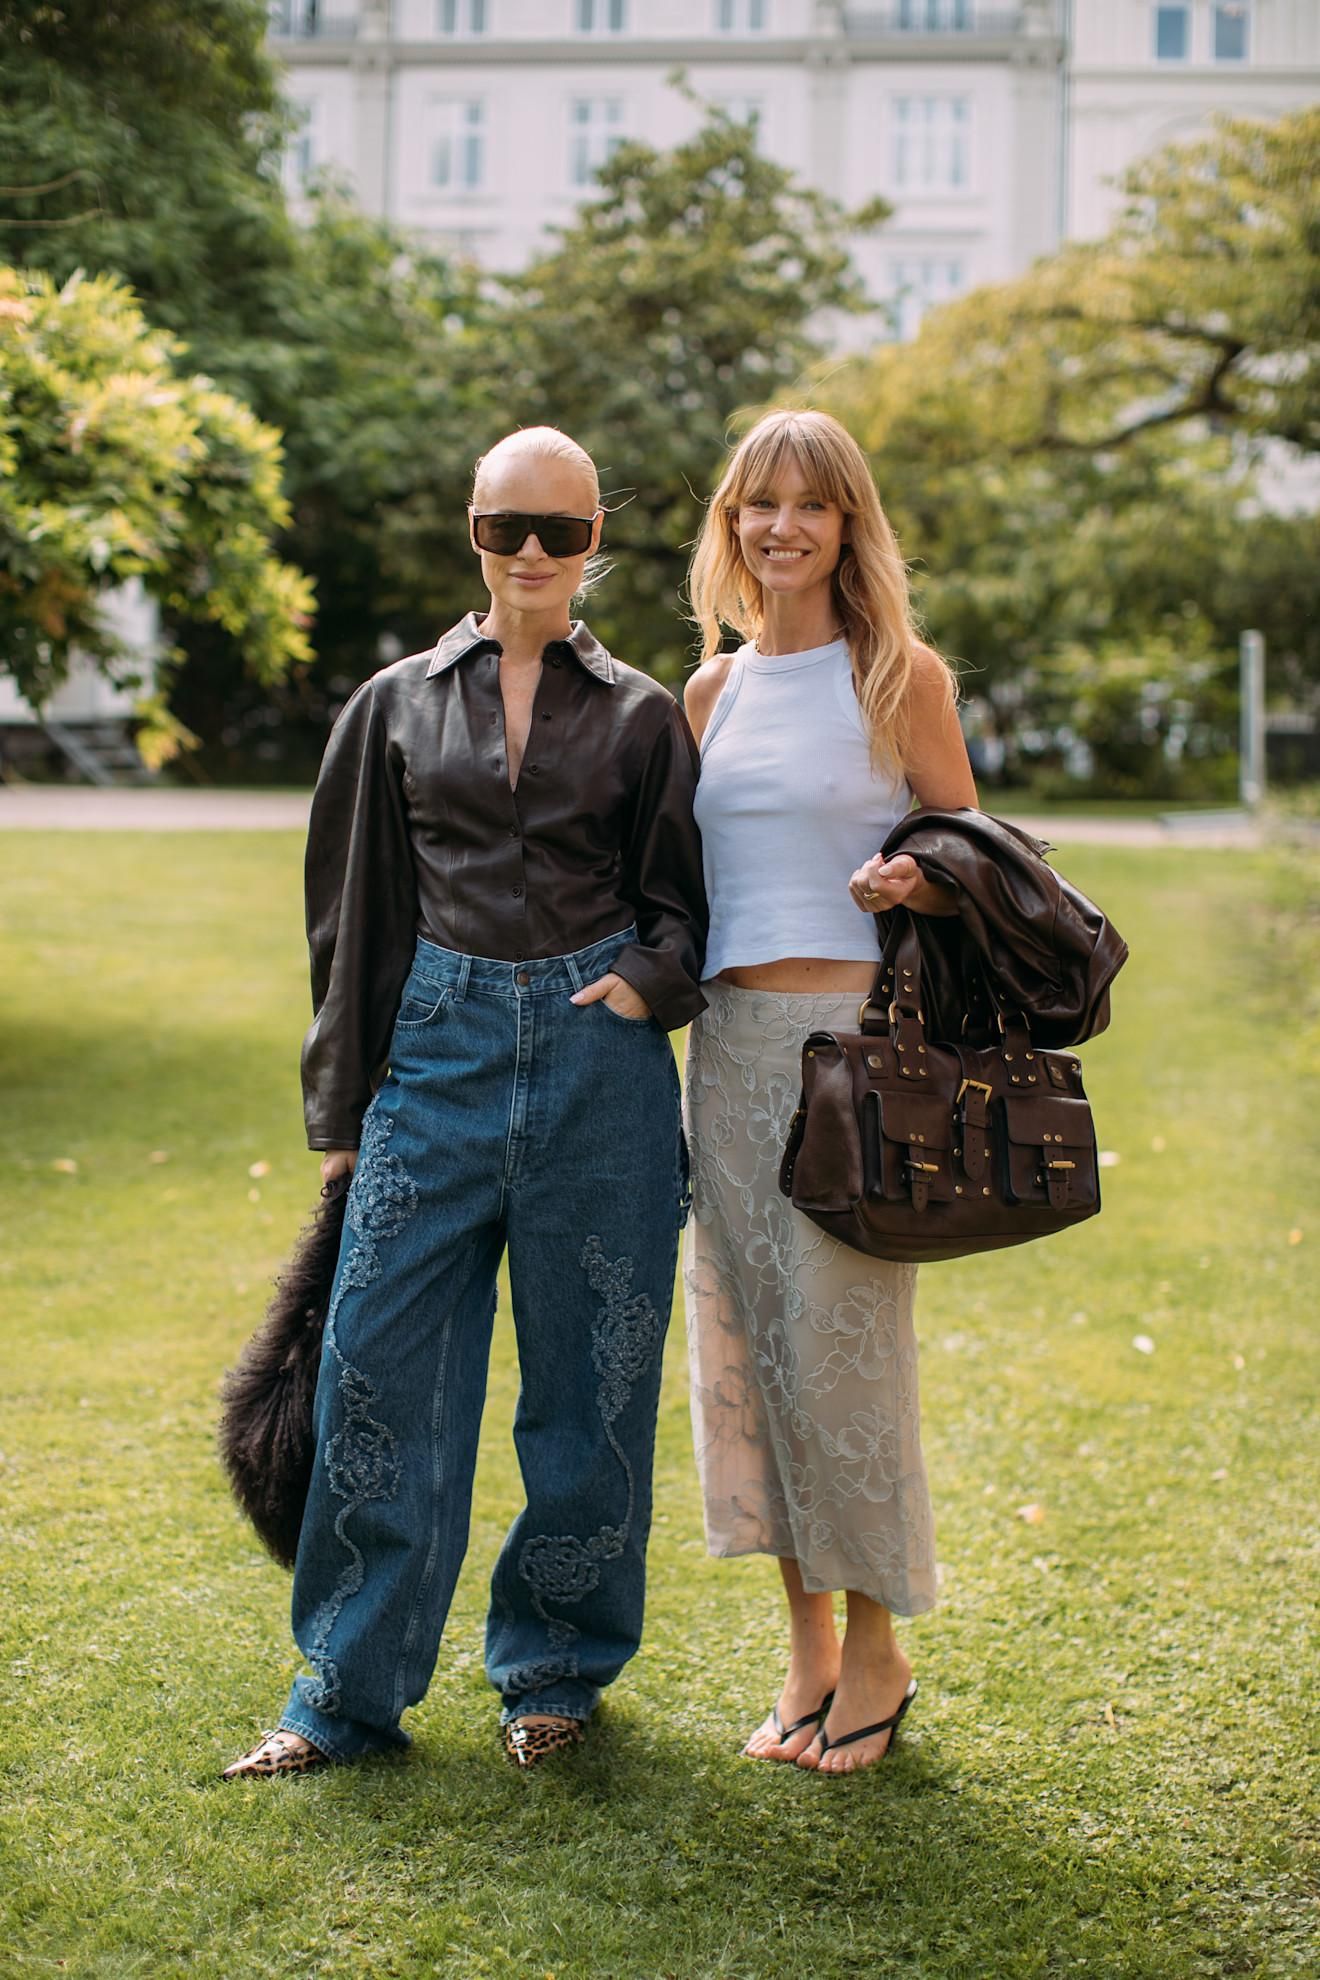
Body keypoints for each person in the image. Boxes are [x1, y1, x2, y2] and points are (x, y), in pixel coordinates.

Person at [224, 427, 707, 1777]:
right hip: (427, 1067)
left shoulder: (644, 715)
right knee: (378, 1374)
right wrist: (341, 1119)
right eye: (509, 530)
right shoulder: (389, 706)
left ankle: (555, 1668)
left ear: (596, 537)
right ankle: (343, 1691)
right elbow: (351, 921)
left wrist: (640, 984)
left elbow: (684, 906)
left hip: (599, 1075)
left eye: (560, 529)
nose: (535, 555)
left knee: (593, 1391)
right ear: (474, 534)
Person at [682, 408, 976, 1775]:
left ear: (849, 525)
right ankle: (802, 1648)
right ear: (732, 524)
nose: (782, 526)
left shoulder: (898, 676)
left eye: (811, 504)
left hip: (854, 1054)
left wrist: (919, 876)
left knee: (844, 1357)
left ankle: (878, 1650)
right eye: (760, 504)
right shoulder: (710, 695)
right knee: (748, 1355)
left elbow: (978, 862)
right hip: (728, 1052)